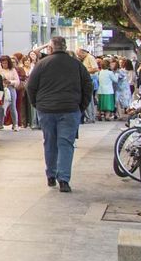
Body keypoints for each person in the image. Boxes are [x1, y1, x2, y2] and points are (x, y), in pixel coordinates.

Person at [27, 36, 93, 191]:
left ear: (50, 48)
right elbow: (87, 85)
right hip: (70, 108)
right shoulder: (76, 64)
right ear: (64, 47)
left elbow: (31, 86)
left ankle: (51, 174)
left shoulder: (42, 64)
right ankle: (64, 179)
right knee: (66, 143)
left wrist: (37, 104)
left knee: (49, 142)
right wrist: (81, 106)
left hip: (46, 109)